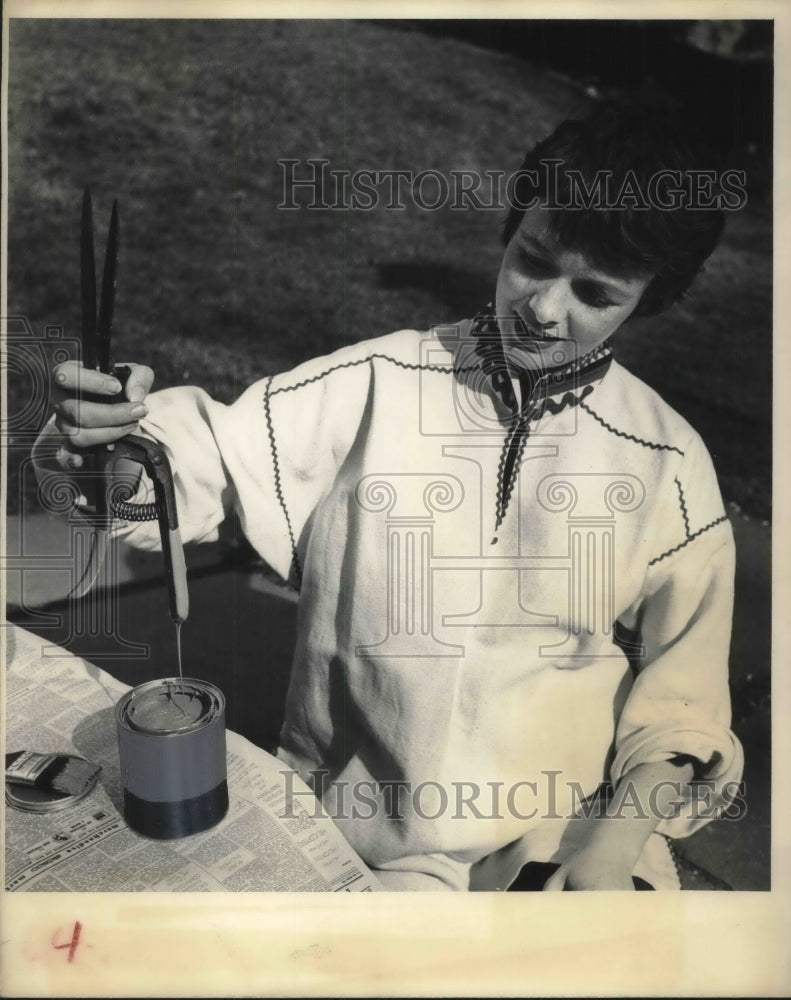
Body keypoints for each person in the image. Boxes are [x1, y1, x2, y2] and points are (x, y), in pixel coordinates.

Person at [35, 97, 744, 891]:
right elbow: (196, 469)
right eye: (533, 260)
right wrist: (112, 440)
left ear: (650, 299)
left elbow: (681, 706)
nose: (544, 309)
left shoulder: (665, 457)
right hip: (368, 841)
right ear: (510, 229)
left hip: (567, 838)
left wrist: (610, 852)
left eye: (595, 294)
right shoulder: (375, 381)